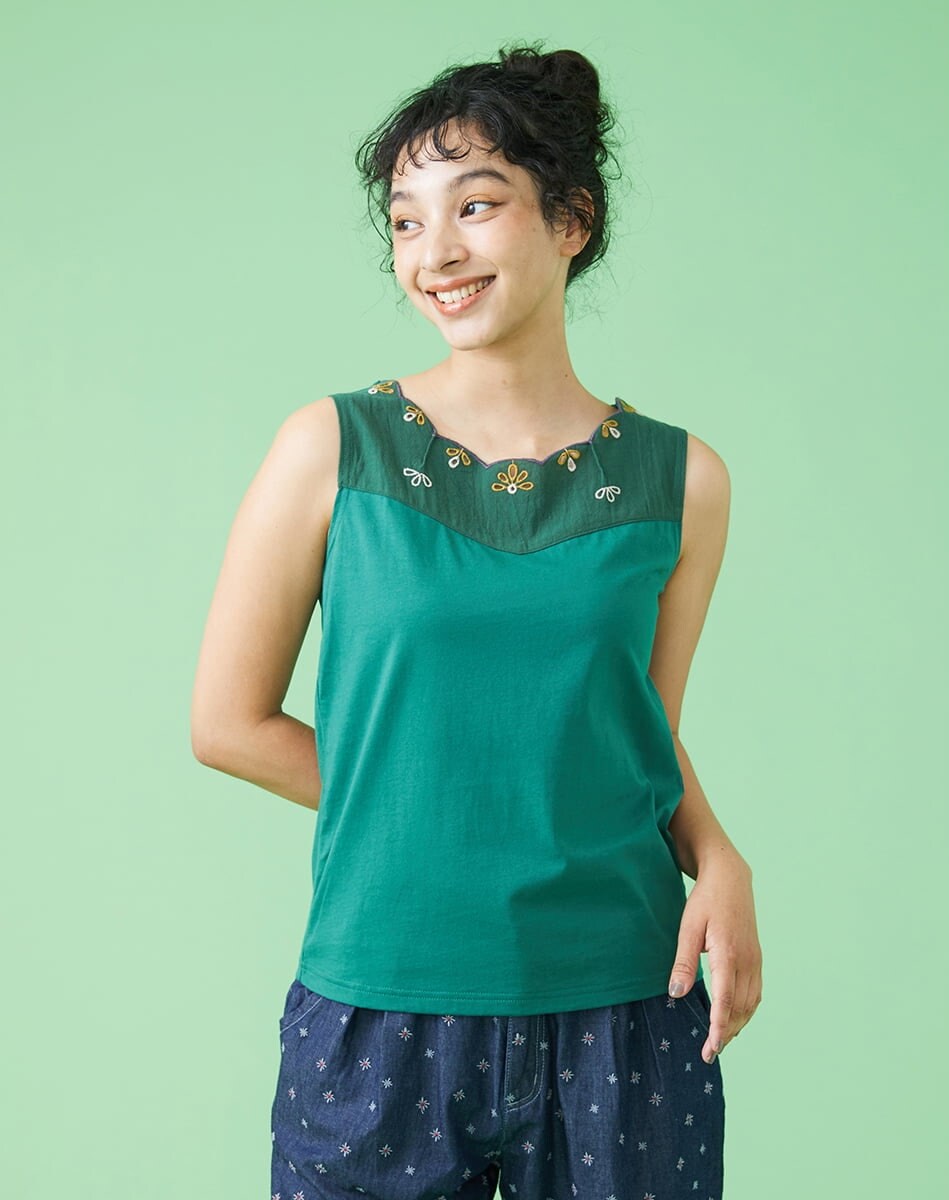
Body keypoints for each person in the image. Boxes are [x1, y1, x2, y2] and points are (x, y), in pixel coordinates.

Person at [191, 39, 761, 1200]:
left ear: (571, 220)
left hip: (622, 997)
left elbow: (637, 730)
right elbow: (226, 724)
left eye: (477, 206)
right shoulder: (331, 449)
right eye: (405, 222)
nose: (434, 253)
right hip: (383, 995)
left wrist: (717, 856)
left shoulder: (682, 481)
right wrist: (446, 807)